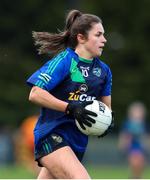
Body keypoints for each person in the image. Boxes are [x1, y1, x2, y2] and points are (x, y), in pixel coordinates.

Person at [27, 9, 113, 179]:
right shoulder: (64, 61)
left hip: (77, 141)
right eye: (98, 34)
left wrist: (106, 121)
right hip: (51, 135)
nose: (104, 40)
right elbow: (35, 93)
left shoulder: (103, 71)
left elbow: (106, 109)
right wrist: (70, 108)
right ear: (81, 38)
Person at [118, 102, 147, 179]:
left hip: (140, 147)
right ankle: (134, 176)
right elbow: (124, 135)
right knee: (134, 162)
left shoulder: (143, 124)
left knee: (140, 164)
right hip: (131, 147)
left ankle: (138, 176)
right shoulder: (128, 123)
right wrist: (123, 144)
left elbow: (145, 135)